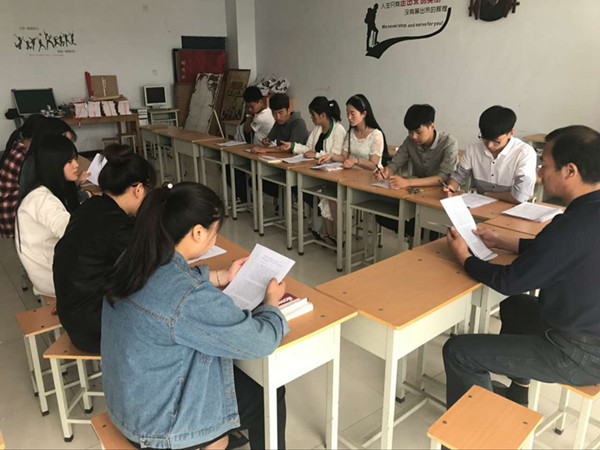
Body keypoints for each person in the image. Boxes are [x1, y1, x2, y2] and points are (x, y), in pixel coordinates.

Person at [102, 182, 289, 449]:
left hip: (129, 406)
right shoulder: (188, 296)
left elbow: (168, 288)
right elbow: (261, 342)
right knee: (268, 393)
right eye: (214, 233)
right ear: (198, 232)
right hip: (161, 427)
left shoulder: (132, 259)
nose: (214, 240)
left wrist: (220, 276)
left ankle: (221, 434)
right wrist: (271, 304)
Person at [443, 125, 600, 409]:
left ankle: (481, 429)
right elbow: (559, 252)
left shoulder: (573, 225)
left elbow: (509, 281)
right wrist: (504, 241)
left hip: (579, 353)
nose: (539, 173)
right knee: (516, 307)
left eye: (545, 165)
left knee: (458, 351)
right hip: (587, 332)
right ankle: (518, 394)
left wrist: (464, 257)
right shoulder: (589, 213)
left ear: (570, 171)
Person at [53, 145, 156, 353]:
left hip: (72, 313)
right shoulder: (119, 228)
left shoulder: (90, 207)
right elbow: (153, 269)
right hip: (95, 328)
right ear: (138, 189)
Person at [375, 104, 458, 233]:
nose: (413, 136)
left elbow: (443, 177)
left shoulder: (448, 142)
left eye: (418, 132)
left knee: (428, 229)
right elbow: (395, 164)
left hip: (439, 197)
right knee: (382, 213)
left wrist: (407, 182)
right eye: (410, 132)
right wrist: (385, 172)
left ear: (431, 126)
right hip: (417, 195)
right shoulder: (410, 141)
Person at [15, 134, 81, 297]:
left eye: (75, 159)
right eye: (69, 161)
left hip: (51, 270)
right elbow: (75, 235)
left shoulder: (43, 190)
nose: (76, 165)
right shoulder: (42, 199)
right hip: (53, 280)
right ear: (53, 164)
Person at [317, 94, 389, 241]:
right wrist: (330, 156)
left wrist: (355, 160)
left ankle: (339, 236)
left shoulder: (376, 135)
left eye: (352, 113)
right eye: (347, 113)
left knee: (336, 196)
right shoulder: (351, 133)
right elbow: (344, 156)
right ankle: (333, 234)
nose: (349, 117)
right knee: (329, 193)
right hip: (353, 177)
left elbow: (374, 164)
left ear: (364, 114)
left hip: (371, 180)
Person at [443, 106, 536, 203]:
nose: (489, 145)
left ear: (510, 133)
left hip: (512, 207)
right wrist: (451, 187)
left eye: (496, 142)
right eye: (485, 139)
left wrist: (487, 194)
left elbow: (520, 195)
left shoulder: (524, 153)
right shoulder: (473, 149)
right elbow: (458, 177)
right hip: (481, 205)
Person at [0, 114, 47, 238]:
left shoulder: (18, 147)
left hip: (8, 211)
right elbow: (40, 187)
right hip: (11, 217)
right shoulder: (23, 157)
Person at [280, 96, 346, 158]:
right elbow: (309, 148)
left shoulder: (338, 130)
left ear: (322, 115)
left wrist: (316, 155)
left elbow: (335, 156)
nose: (311, 117)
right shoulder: (317, 128)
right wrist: (292, 146)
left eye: (313, 115)